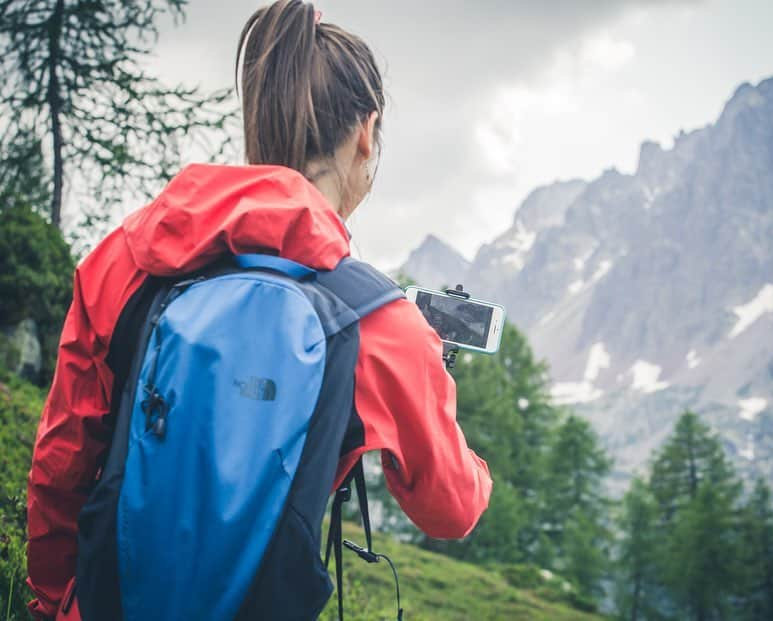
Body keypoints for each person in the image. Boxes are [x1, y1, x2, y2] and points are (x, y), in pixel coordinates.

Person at [25, 1, 492, 619]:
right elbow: (450, 508)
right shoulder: (381, 324)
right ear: (366, 133)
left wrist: (55, 603)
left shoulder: (127, 258)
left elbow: (62, 460)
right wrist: (431, 374)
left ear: (259, 122)